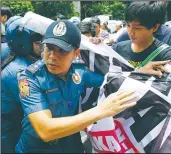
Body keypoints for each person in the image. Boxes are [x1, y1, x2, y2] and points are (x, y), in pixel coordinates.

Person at [15, 20, 138, 153]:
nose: (52, 56)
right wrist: (101, 110)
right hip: (37, 148)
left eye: (62, 51)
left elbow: (113, 80)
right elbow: (45, 130)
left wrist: (139, 72)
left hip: (71, 145)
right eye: (49, 48)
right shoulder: (29, 78)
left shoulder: (80, 72)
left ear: (76, 53)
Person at [1, 16, 44, 153]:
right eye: (39, 44)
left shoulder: (9, 50)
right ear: (23, 43)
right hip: (10, 125)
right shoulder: (19, 72)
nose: (44, 48)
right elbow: (38, 102)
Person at [112, 1, 171, 75]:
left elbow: (168, 84)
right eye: (128, 25)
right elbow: (106, 76)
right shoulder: (117, 49)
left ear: (155, 27)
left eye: (137, 28)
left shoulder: (166, 55)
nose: (130, 32)